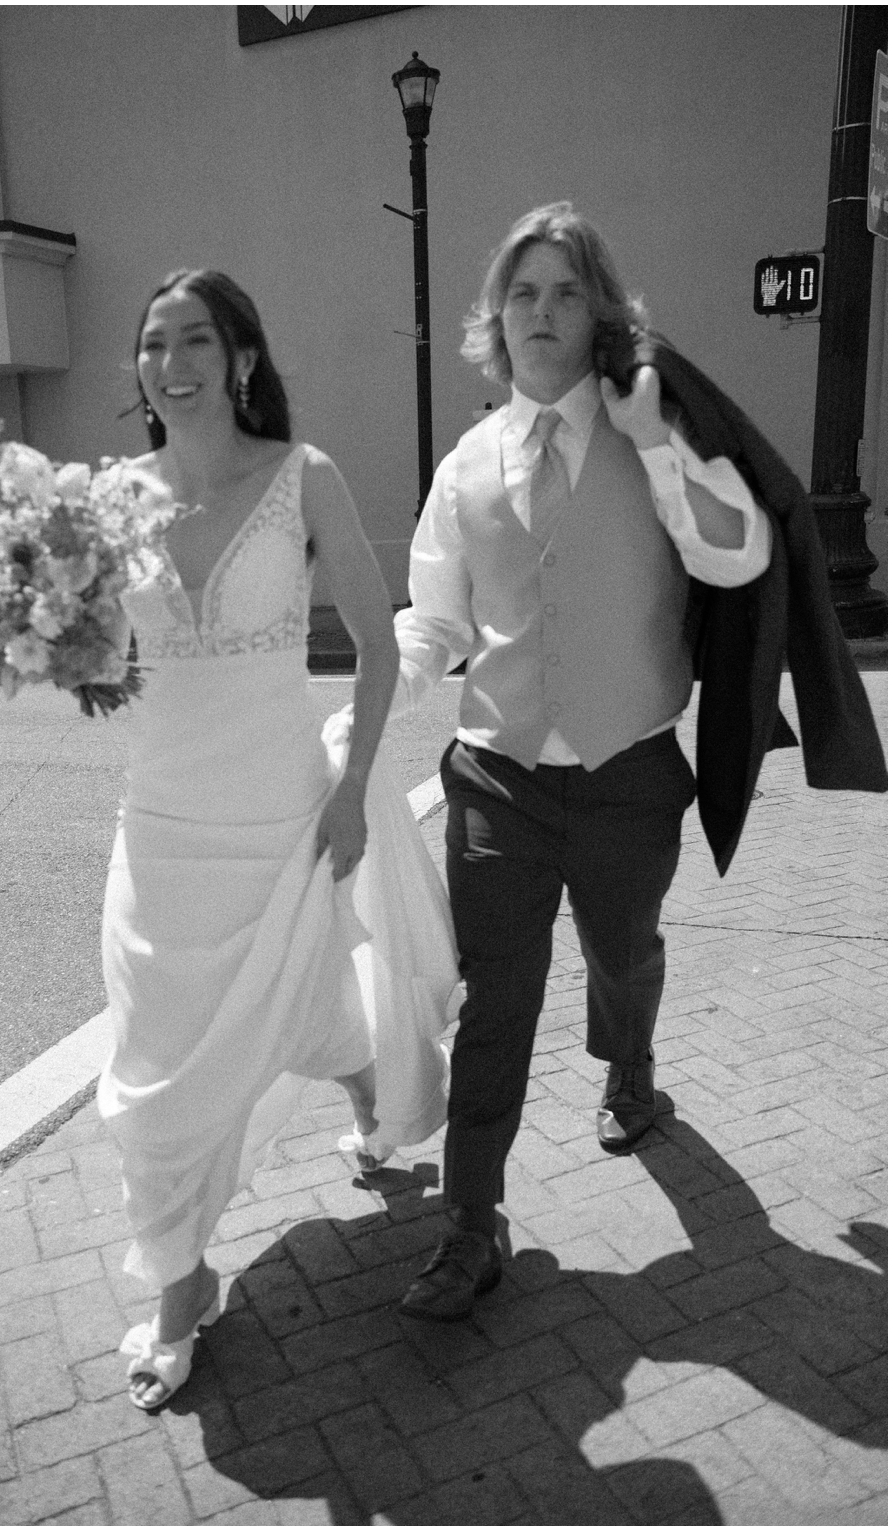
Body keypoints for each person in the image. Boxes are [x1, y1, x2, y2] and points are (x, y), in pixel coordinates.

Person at [393, 202, 779, 1322]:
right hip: (497, 778)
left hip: (628, 772)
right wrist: (381, 689)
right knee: (497, 1001)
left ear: (599, 311)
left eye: (566, 292)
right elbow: (435, 615)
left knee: (623, 952)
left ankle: (630, 1065)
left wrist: (655, 440)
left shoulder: (647, 429)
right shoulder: (467, 462)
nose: (543, 313)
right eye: (523, 293)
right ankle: (470, 1225)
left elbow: (737, 548)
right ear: (495, 319)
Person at [97, 269, 457, 1408]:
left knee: (300, 995)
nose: (171, 362)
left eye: (194, 338)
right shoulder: (113, 500)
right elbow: (98, 660)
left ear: (240, 357)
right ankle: (182, 1284)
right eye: (153, 345)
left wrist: (355, 788)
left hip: (280, 811)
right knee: (154, 1068)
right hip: (159, 826)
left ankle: (363, 1091)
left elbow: (379, 641)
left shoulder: (302, 479)